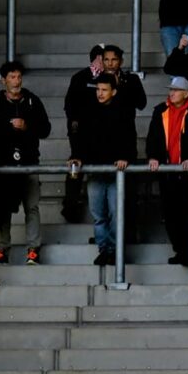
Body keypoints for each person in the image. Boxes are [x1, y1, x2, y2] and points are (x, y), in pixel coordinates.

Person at [0, 60, 52, 266]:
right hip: (3, 163)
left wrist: (27, 126)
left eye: (19, 77)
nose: (16, 81)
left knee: (32, 206)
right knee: (2, 207)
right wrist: (6, 130)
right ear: (3, 80)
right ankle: (2, 251)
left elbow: (46, 129)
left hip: (29, 161)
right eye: (12, 77)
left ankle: (33, 250)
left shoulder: (32, 101)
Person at [64, 43, 146, 217]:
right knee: (86, 180)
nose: (109, 63)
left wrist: (120, 88)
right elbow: (74, 110)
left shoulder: (129, 80)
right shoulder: (89, 80)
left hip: (123, 139)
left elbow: (141, 104)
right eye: (106, 60)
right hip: (95, 140)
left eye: (114, 60)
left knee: (125, 194)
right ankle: (71, 206)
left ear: (121, 61)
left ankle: (126, 235)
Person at [66, 73, 135, 266]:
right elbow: (81, 139)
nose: (100, 93)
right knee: (98, 214)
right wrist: (77, 156)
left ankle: (113, 250)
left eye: (104, 90)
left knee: (115, 213)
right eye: (98, 89)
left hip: (115, 172)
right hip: (96, 170)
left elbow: (129, 138)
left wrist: (125, 158)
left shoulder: (123, 111)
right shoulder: (88, 111)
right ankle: (104, 249)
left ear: (113, 91)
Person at [146, 75, 188, 267]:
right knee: (170, 213)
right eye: (170, 90)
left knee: (186, 213)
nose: (171, 93)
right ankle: (180, 250)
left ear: (186, 94)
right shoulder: (160, 111)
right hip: (168, 171)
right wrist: (153, 157)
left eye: (176, 90)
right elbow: (153, 137)